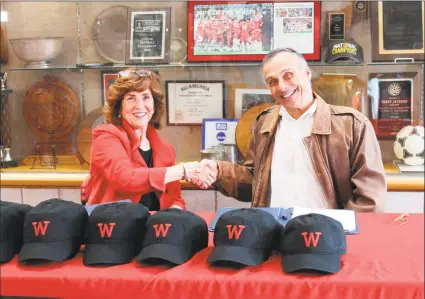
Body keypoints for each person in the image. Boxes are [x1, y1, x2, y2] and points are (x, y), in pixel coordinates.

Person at [189, 48, 387, 212]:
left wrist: (339, 234)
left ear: (307, 74)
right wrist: (219, 171)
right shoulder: (264, 123)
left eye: (288, 75)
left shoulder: (352, 125)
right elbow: (254, 182)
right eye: (273, 81)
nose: (282, 87)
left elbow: (370, 199)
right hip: (273, 233)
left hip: (325, 239)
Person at [81, 68, 198, 210]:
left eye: (145, 97)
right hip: (112, 226)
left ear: (154, 105)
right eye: (131, 98)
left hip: (155, 228)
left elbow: (175, 198)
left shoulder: (166, 150)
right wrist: (183, 170)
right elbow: (125, 179)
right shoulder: (106, 135)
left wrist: (173, 215)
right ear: (119, 107)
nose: (140, 106)